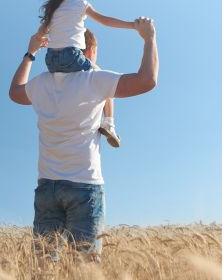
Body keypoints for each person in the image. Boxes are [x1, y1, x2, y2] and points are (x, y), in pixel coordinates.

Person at [9, 17, 158, 261]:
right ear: (88, 51)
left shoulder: (41, 84)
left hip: (47, 188)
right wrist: (149, 38)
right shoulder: (94, 79)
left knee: (43, 266)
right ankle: (109, 125)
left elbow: (15, 92)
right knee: (85, 267)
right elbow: (147, 80)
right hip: (84, 185)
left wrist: (31, 52)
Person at [40, 0, 136, 148]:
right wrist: (132, 25)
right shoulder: (80, 3)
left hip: (50, 60)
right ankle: (109, 123)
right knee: (103, 77)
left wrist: (34, 47)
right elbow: (105, 20)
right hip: (70, 56)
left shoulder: (54, 9)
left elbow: (41, 32)